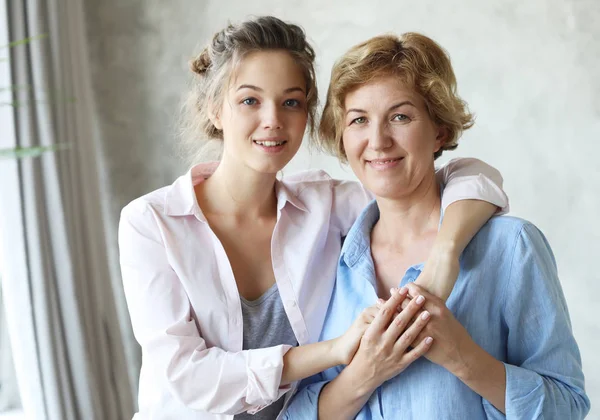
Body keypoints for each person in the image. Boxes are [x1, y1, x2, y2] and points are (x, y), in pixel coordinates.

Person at [118, 17, 509, 420]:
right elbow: (189, 379)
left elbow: (469, 178)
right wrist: (336, 350)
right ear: (215, 110)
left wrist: (445, 256)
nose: (272, 119)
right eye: (250, 100)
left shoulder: (327, 207)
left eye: (291, 102)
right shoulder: (152, 223)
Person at [284, 32, 590, 419]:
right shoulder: (323, 257)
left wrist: (464, 358)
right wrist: (364, 373)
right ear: (342, 138)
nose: (377, 141)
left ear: (439, 131)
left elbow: (567, 408)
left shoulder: (512, 247)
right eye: (359, 120)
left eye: (400, 116)